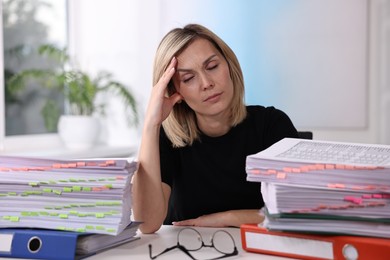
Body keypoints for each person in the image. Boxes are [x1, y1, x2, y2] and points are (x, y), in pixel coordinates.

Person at [132, 24, 299, 234]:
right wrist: (151, 124)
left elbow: (299, 213)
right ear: (175, 91)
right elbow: (146, 224)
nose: (206, 83)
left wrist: (227, 218)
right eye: (188, 78)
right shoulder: (167, 137)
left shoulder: (272, 124)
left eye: (212, 67)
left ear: (229, 65)